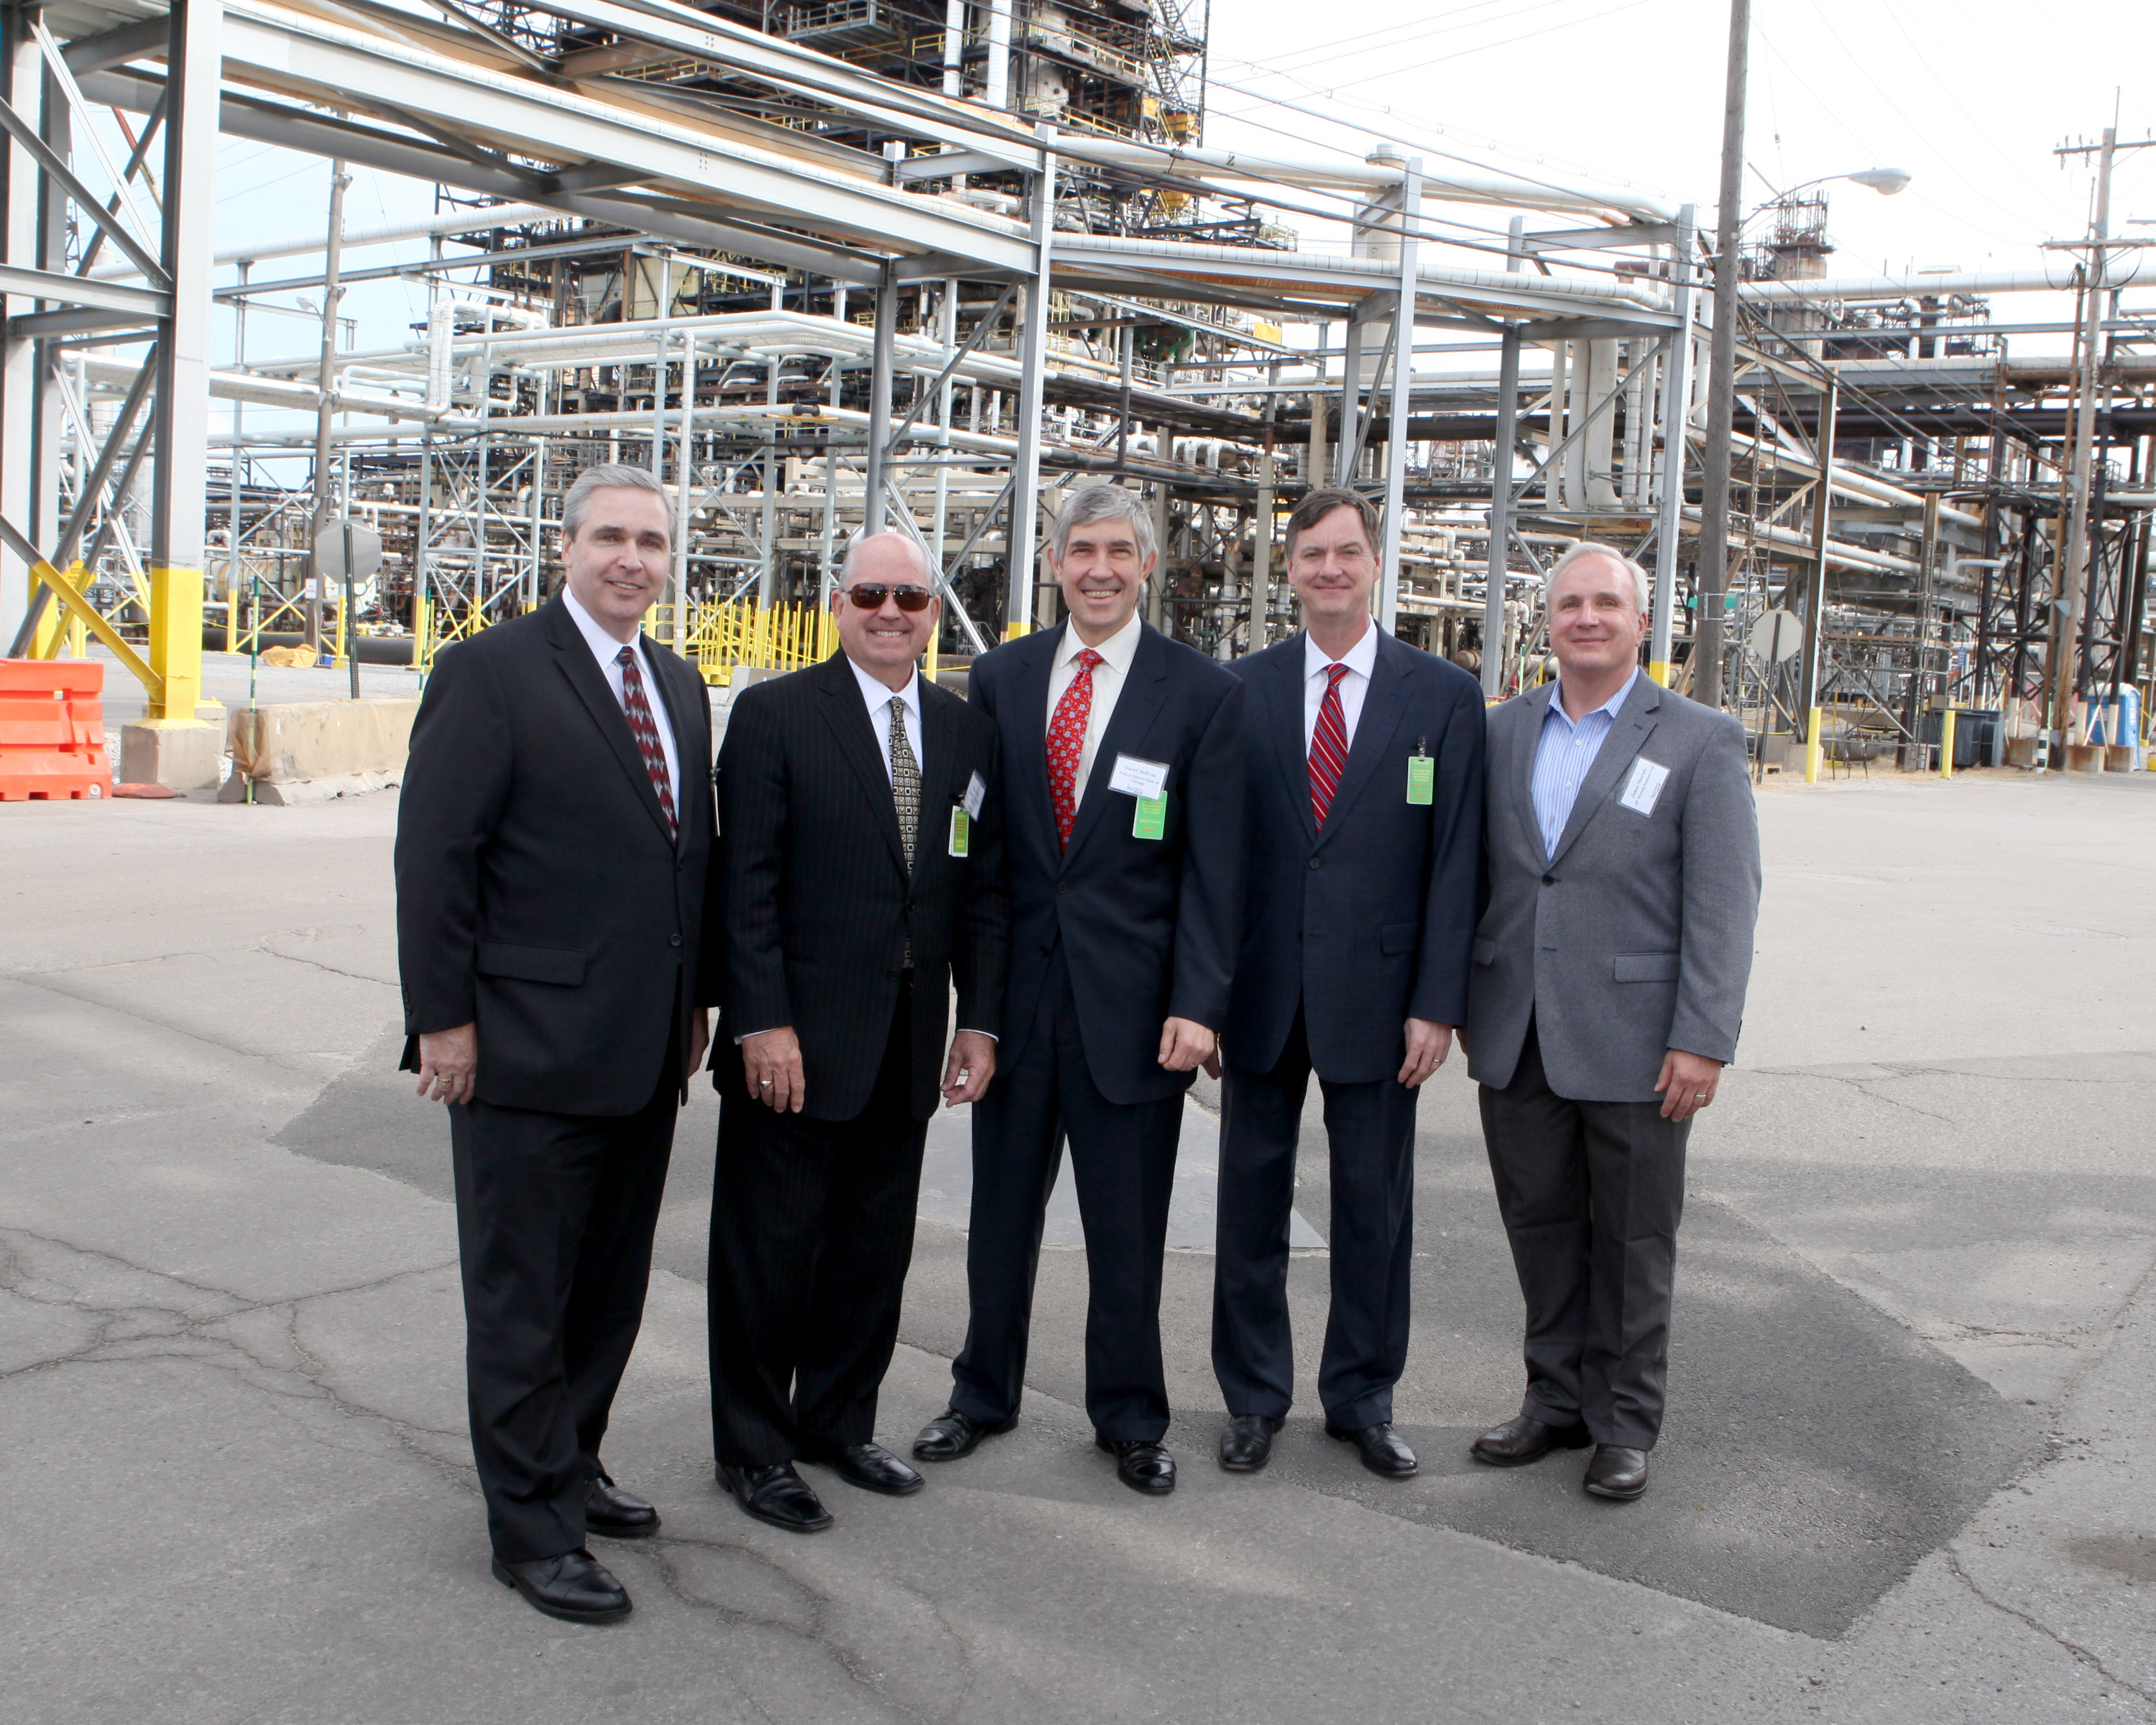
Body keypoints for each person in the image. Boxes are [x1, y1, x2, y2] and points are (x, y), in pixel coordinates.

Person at [395, 463, 717, 1624]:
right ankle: (530, 1531)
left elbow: (686, 863)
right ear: (566, 547)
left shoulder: (677, 682)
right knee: (524, 1297)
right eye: (610, 538)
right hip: (525, 1051)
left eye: (652, 541)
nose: (631, 558)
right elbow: (435, 860)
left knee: (605, 1294)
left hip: (642, 1056)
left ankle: (570, 1464)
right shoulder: (489, 673)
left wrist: (696, 1003)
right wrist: (443, 1021)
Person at [913, 484, 1244, 1496]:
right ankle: (981, 1393)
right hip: (1016, 1009)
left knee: (1126, 1232)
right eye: (1079, 550)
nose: (1098, 568)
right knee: (999, 1221)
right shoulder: (1005, 678)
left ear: (1147, 565)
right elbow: (986, 852)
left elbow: (1214, 869)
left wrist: (1200, 1002)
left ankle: (1132, 1419)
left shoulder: (1198, 692)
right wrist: (976, 1010)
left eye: (1118, 551)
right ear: (1054, 563)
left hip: (1135, 1016)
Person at [706, 531, 1007, 1535]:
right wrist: (761, 1022)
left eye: (911, 599)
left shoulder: (963, 734)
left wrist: (981, 1021)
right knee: (768, 1255)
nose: (891, 612)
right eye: (871, 594)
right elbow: (742, 885)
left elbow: (979, 893)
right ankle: (753, 1451)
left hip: (907, 1041)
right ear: (838, 603)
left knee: (871, 1253)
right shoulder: (776, 715)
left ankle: (838, 1421)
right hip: (792, 1045)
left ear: (934, 611)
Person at [1464, 541, 1759, 1502]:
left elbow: (1722, 901)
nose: (1586, 619)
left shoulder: (1698, 739)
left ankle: (1625, 1422)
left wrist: (1704, 1035)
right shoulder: (1502, 732)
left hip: (1640, 1041)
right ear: (1546, 623)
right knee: (1540, 1227)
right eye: (1569, 606)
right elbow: (1485, 883)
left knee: (1633, 1240)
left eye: (1605, 604)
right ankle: (1554, 1400)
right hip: (1518, 1031)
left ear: (1641, 622)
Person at [1210, 487, 1485, 1479]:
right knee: (1248, 1200)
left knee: (1375, 1205)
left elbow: (1456, 862)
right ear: (1289, 569)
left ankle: (1362, 1398)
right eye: (1312, 554)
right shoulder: (1238, 689)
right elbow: (1215, 857)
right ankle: (1252, 1396)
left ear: (1377, 564)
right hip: (1261, 992)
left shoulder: (1442, 696)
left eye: (1348, 552)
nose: (1330, 569)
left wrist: (1437, 1001)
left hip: (1382, 1000)